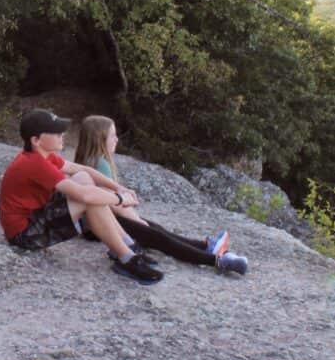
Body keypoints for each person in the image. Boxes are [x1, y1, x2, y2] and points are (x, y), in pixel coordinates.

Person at [0, 109, 164, 284]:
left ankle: (126, 245)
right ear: (36, 140)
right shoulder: (34, 163)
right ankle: (126, 258)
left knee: (84, 179)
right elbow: (84, 195)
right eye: (55, 132)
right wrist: (121, 199)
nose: (62, 134)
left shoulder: (44, 157)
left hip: (36, 216)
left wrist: (118, 187)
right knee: (88, 200)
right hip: (25, 234)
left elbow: (84, 170)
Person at [74, 115, 250, 275]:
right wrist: (137, 221)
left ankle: (207, 247)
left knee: (157, 231)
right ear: (100, 139)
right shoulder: (100, 163)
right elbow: (113, 204)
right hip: (102, 226)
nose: (117, 139)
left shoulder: (89, 161)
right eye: (112, 135)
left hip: (95, 225)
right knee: (159, 237)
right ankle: (216, 260)